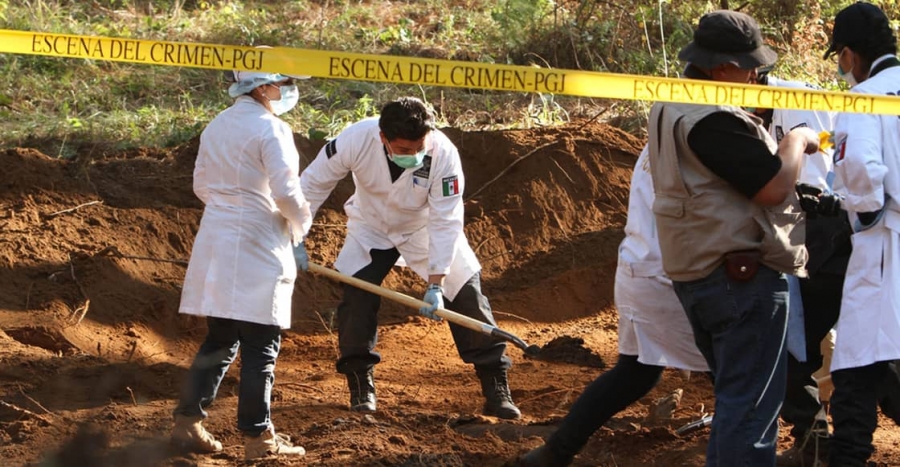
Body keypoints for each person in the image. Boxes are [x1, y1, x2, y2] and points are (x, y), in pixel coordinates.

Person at [647, 10, 820, 465]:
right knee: (751, 413)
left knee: (736, 401)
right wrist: (797, 141)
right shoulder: (713, 118)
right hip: (738, 277)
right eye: (748, 66)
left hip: (697, 271)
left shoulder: (669, 102)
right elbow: (772, 187)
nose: (756, 74)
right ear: (720, 67)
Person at [299, 96, 520, 419]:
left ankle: (495, 383)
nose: (414, 156)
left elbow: (446, 219)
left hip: (425, 228)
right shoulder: (354, 139)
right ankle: (361, 383)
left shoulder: (443, 153)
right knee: (357, 299)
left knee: (467, 293)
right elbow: (312, 185)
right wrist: (294, 234)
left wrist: (436, 282)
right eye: (403, 150)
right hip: (371, 226)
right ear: (383, 138)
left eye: (419, 147)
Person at [515, 144, 709, 467]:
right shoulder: (708, 135)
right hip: (674, 276)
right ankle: (801, 436)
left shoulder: (663, 135)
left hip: (642, 267)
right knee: (738, 371)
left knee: (635, 374)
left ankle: (554, 453)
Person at [170, 67, 312, 460]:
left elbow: (201, 184)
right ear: (264, 87)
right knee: (261, 346)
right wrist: (300, 228)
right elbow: (286, 191)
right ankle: (259, 439)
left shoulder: (216, 126)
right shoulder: (272, 129)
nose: (288, 90)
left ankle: (186, 423)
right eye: (285, 83)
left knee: (220, 339)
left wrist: (230, 205)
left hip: (217, 238)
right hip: (258, 240)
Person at [749, 71, 850, 466]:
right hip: (797, 240)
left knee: (794, 345)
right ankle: (814, 438)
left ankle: (819, 438)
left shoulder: (801, 102)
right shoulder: (735, 113)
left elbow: (823, 178)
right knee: (791, 346)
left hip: (831, 236)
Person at [822, 3, 900, 465]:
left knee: (854, 367)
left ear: (849, 55)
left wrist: (864, 220)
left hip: (886, 245)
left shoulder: (864, 98)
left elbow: (861, 174)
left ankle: (847, 457)